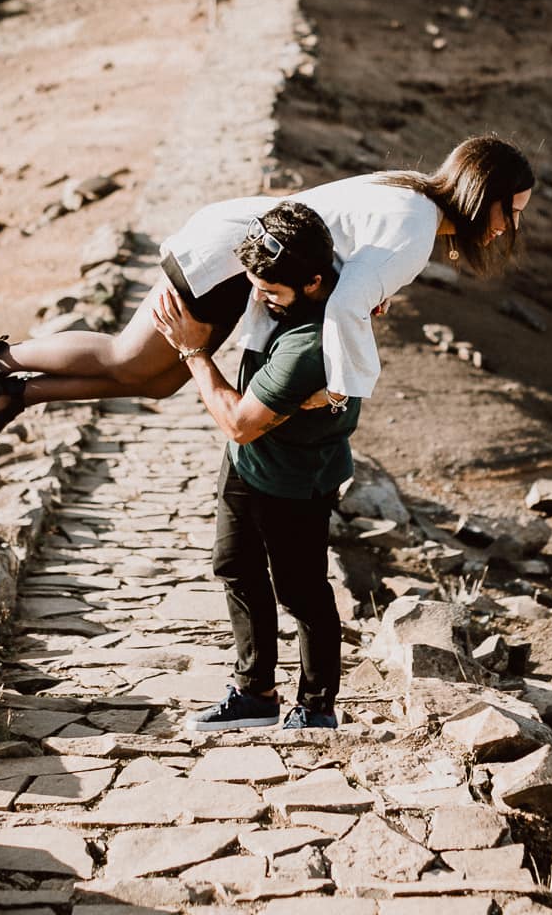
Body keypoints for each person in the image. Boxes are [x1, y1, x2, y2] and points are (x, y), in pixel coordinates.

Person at [0, 134, 534, 471]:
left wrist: (351, 291)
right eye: (512, 209)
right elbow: (345, 314)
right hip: (230, 255)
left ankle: (7, 394)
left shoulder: (411, 192)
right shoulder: (414, 231)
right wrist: (337, 391)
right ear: (482, 196)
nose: (513, 225)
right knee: (126, 359)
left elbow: (340, 265)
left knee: (158, 382)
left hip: (244, 251)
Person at [151, 201, 356, 731]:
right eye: (255, 284)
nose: (259, 298)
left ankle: (315, 707)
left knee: (301, 590)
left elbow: (238, 421)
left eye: (270, 292)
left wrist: (192, 352)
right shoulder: (308, 272)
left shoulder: (309, 344)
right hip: (246, 467)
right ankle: (255, 694)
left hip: (294, 480)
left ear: (313, 282)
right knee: (235, 567)